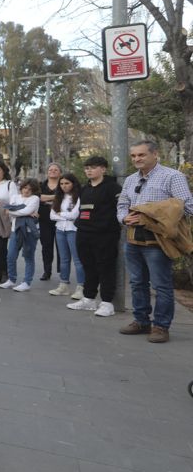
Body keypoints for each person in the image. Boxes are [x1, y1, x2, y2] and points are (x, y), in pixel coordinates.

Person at [117, 140, 193, 342]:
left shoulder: (172, 176)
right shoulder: (131, 179)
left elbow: (187, 206)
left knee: (161, 285)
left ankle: (161, 326)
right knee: (136, 283)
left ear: (154, 154)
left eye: (141, 155)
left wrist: (154, 215)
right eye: (133, 156)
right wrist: (124, 218)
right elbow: (122, 203)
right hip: (133, 239)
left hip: (158, 241)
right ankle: (141, 321)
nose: (137, 159)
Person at [68, 155, 122, 317]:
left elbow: (120, 209)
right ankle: (89, 299)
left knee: (105, 267)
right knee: (88, 267)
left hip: (105, 235)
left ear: (103, 169)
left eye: (92, 167)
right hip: (84, 233)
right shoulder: (85, 188)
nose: (88, 170)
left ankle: (106, 303)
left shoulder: (113, 188)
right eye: (86, 168)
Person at [0, 178, 41, 291]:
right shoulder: (15, 197)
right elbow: (12, 212)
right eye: (25, 188)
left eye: (30, 189)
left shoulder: (35, 198)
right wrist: (21, 211)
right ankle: (11, 280)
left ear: (34, 191)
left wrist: (14, 210)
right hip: (15, 230)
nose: (26, 191)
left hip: (29, 232)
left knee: (28, 256)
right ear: (21, 188)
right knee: (11, 256)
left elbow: (23, 211)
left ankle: (27, 282)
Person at [48, 173, 84, 298]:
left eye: (67, 183)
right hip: (60, 230)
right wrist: (63, 214)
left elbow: (74, 215)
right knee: (63, 259)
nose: (64, 186)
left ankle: (81, 287)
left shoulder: (79, 197)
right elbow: (52, 216)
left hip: (73, 230)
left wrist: (60, 214)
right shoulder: (59, 197)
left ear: (73, 183)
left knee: (78, 260)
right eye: (62, 183)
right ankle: (63, 285)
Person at [38, 163, 63, 281]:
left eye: (55, 169)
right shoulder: (40, 185)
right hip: (44, 220)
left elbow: (66, 197)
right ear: (47, 172)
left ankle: (62, 271)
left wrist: (46, 198)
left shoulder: (64, 184)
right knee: (46, 246)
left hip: (60, 221)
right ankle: (47, 271)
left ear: (60, 173)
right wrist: (56, 197)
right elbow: (38, 197)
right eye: (50, 169)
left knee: (61, 247)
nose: (53, 171)